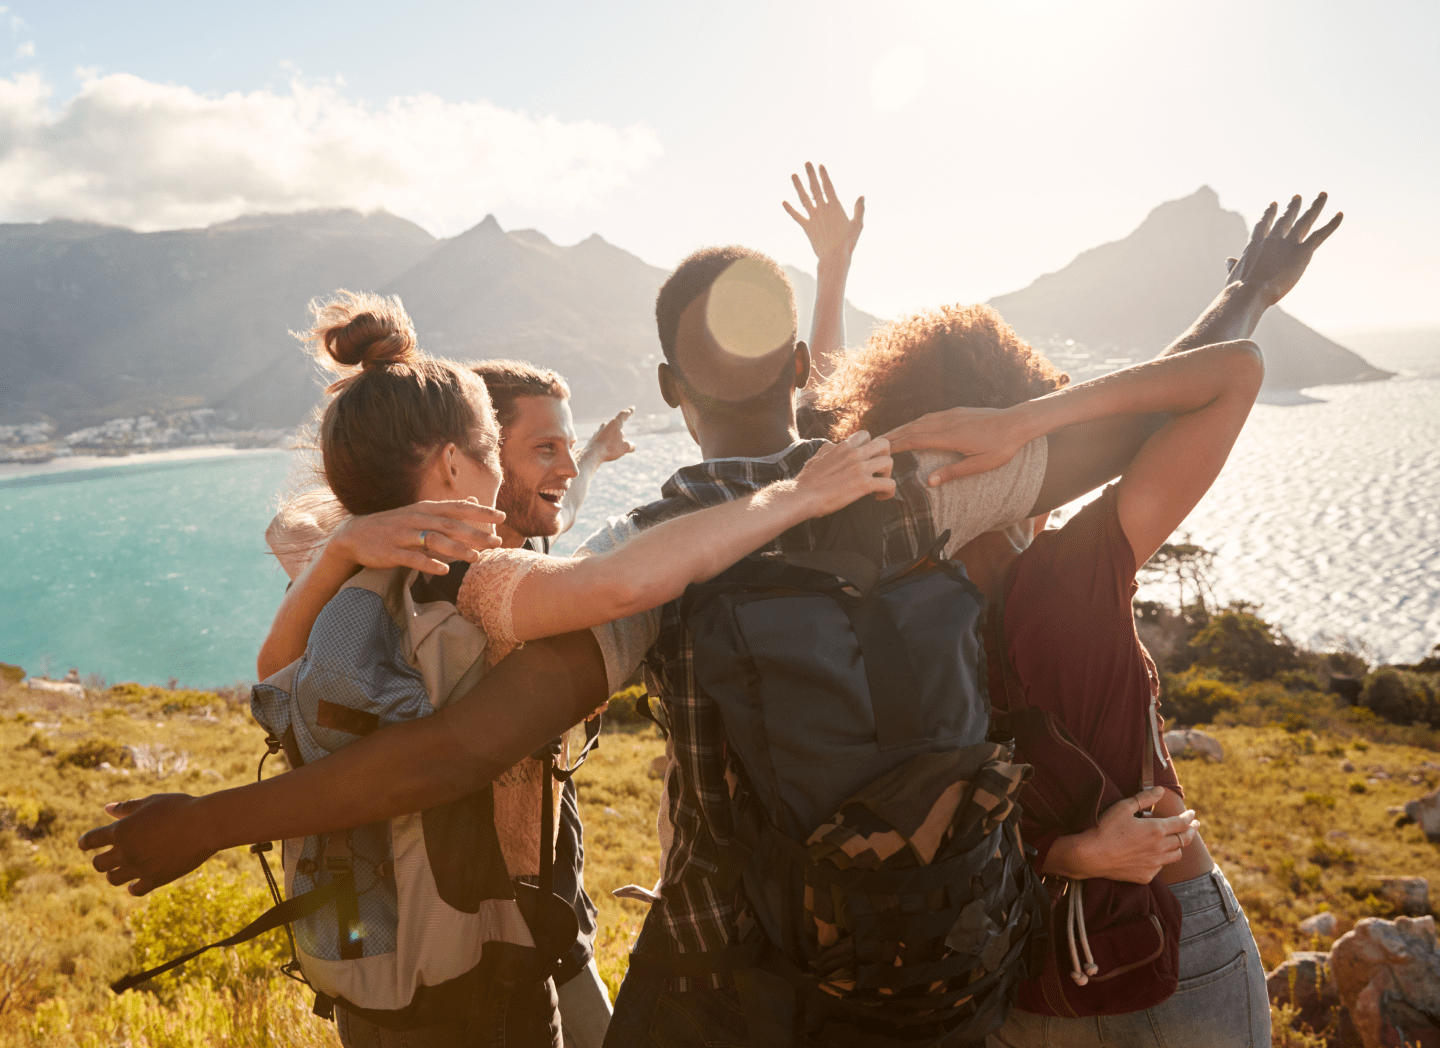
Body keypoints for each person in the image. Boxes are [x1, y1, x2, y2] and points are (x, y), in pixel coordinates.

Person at [79, 169, 1303, 1043]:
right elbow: (1171, 403)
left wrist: (213, 818)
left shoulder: (659, 550)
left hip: (738, 987)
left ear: (668, 386)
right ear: (798, 371)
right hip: (944, 961)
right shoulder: (923, 486)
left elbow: (453, 749)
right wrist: (1237, 295)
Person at [823, 192, 1341, 1047]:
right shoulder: (1073, 572)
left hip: (1017, 968)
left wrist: (1063, 855)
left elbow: (919, 824)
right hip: (1171, 944)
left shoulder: (878, 623)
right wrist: (1030, 423)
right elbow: (1231, 372)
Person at [264, 357, 634, 1048]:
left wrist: (597, 458)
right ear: (459, 462)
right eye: (533, 447)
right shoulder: (466, 579)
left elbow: (272, 670)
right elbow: (618, 586)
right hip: (482, 951)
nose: (564, 466)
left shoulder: (390, 577)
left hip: (419, 950)